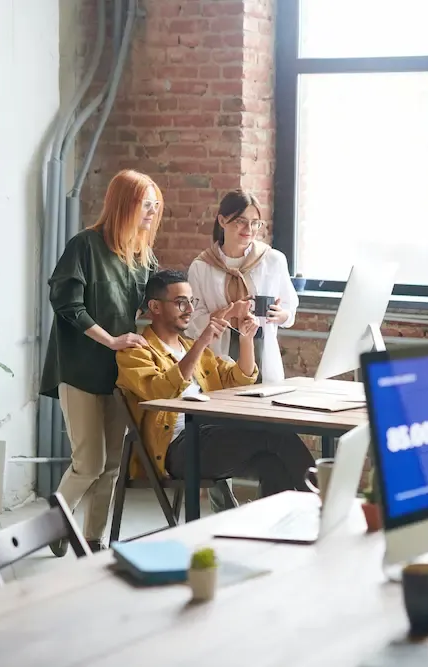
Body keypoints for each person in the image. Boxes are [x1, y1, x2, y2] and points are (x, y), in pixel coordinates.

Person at [116, 270, 316, 507]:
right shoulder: (136, 352)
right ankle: (323, 507)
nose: (190, 309)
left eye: (192, 301)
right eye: (181, 302)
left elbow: (238, 380)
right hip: (176, 449)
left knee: (270, 461)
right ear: (155, 307)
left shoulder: (190, 347)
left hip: (207, 434)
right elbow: (159, 392)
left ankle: (283, 529)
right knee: (275, 435)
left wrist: (246, 340)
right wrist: (202, 341)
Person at [40, 169, 163, 556]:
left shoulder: (143, 257)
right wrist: (110, 339)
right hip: (78, 370)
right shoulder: (85, 246)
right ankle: (53, 526)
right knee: (88, 463)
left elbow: (156, 301)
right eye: (147, 203)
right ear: (124, 203)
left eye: (156, 205)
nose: (153, 211)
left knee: (112, 464)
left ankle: (92, 540)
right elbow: (66, 304)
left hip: (119, 375)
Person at [187, 189, 298, 384]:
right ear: (222, 221)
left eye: (255, 223)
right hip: (218, 357)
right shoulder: (202, 266)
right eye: (240, 221)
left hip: (263, 352)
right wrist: (229, 312)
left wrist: (282, 315)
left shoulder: (273, 260)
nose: (249, 229)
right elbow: (193, 322)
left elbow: (289, 307)